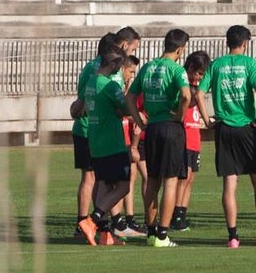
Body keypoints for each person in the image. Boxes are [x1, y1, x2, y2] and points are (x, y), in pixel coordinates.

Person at [195, 25, 256, 248]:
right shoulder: (250, 63)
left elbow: (199, 93)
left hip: (224, 128)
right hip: (246, 127)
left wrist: (207, 121)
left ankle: (233, 237)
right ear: (245, 43)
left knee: (229, 183)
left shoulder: (216, 65)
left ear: (227, 42)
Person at [128, 27, 190, 248]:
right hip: (171, 128)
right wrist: (180, 115)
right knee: (170, 181)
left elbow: (130, 96)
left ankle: (151, 231)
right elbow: (185, 95)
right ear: (180, 49)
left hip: (151, 128)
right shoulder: (176, 69)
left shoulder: (147, 67)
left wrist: (139, 119)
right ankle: (163, 235)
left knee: (152, 181)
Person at [74, 44, 137, 246]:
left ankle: (105, 234)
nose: (120, 67)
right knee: (124, 186)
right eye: (119, 63)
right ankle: (92, 220)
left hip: (96, 142)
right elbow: (125, 108)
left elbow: (83, 107)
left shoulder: (91, 82)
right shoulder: (110, 86)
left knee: (102, 184)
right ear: (112, 63)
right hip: (112, 143)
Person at [172, 50, 210, 232]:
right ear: (191, 67)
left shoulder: (197, 86)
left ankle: (182, 214)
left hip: (195, 137)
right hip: (183, 137)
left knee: (190, 179)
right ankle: (175, 216)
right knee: (182, 178)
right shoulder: (182, 82)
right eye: (200, 73)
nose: (201, 78)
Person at [114, 53, 146, 238]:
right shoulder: (116, 85)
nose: (131, 76)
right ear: (123, 69)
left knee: (133, 177)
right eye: (131, 72)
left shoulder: (127, 88)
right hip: (121, 138)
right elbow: (121, 110)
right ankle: (117, 221)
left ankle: (128, 219)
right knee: (123, 180)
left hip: (129, 139)